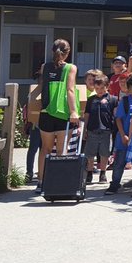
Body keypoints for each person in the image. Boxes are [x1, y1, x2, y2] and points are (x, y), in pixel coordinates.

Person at [35, 39, 80, 194]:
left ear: (52, 51)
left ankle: (41, 182)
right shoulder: (71, 68)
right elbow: (70, 90)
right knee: (62, 151)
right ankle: (59, 183)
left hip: (46, 112)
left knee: (45, 149)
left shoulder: (44, 67)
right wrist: (74, 111)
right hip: (62, 112)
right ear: (67, 53)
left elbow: (41, 87)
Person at [105, 73, 132, 194]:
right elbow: (118, 119)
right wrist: (122, 135)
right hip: (124, 138)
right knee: (119, 162)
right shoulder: (125, 101)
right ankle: (115, 184)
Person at [81, 69, 117, 185]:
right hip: (92, 130)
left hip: (106, 130)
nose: (99, 91)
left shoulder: (113, 99)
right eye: (97, 89)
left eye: (102, 88)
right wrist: (85, 129)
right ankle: (90, 173)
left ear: (107, 87)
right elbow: (87, 115)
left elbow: (115, 115)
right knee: (90, 153)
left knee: (104, 153)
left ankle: (103, 173)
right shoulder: (91, 100)